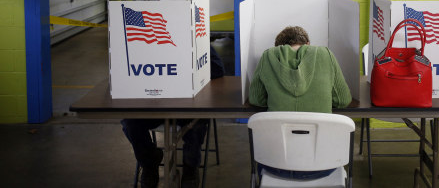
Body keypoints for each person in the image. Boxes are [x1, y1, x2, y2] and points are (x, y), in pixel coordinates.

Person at [248, 26, 352, 180]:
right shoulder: (326, 55)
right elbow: (343, 100)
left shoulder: (268, 56)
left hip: (275, 165)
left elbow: (256, 99)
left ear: (279, 47)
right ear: (307, 44)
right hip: (324, 165)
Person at [121, 45, 225, 188]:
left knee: (198, 122)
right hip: (153, 105)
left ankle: (190, 167)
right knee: (130, 122)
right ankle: (149, 162)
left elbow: (218, 70)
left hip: (188, 106)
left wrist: (184, 67)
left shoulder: (195, 40)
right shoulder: (144, 43)